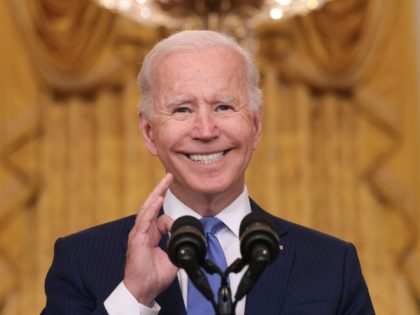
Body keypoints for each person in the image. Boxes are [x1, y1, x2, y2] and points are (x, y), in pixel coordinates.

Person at [41, 30, 375, 315]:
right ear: (148, 132)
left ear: (256, 126)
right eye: (182, 109)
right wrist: (134, 297)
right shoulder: (81, 260)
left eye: (224, 107)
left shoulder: (333, 264)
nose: (205, 130)